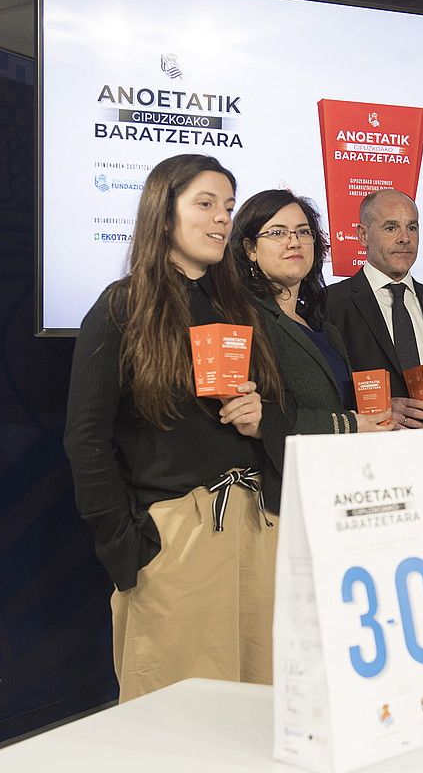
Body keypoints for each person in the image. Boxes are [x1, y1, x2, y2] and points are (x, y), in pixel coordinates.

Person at [63, 154, 283, 702]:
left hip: (256, 524)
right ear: (164, 213)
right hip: (175, 533)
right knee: (178, 715)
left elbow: (277, 411)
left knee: (259, 706)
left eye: (228, 207)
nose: (221, 219)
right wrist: (127, 546)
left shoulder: (240, 308)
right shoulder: (123, 307)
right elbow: (85, 438)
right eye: (205, 204)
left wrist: (261, 419)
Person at [325, 189, 423, 528]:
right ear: (362, 235)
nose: (405, 238)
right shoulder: (330, 304)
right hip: (365, 482)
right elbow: (323, 394)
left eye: (412, 227)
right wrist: (379, 409)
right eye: (391, 227)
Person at [228, 189, 390, 446]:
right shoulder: (243, 319)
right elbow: (258, 418)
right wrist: (349, 425)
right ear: (250, 249)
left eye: (303, 232)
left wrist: (382, 410)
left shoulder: (320, 325)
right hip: (283, 468)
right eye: (277, 233)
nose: (294, 242)